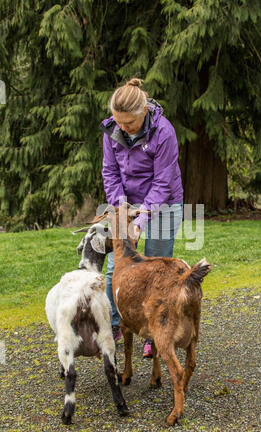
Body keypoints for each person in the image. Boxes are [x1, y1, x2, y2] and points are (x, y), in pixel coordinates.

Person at [100, 78, 183, 358]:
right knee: (115, 268)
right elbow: (110, 174)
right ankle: (115, 325)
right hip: (127, 203)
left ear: (144, 111)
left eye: (129, 124)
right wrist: (122, 212)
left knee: (154, 272)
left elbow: (163, 183)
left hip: (164, 202)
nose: (123, 128)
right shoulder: (112, 130)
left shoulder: (164, 132)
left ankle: (155, 329)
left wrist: (140, 221)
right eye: (118, 121)